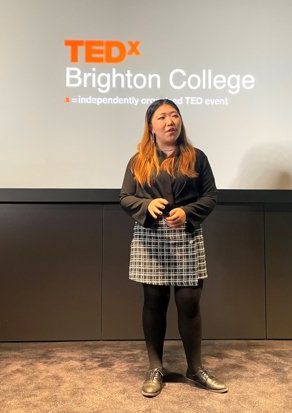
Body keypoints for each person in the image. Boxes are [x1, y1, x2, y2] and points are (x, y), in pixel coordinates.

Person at [120, 98, 228, 397]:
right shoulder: (138, 160)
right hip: (151, 238)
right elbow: (125, 197)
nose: (171, 121)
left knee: (189, 304)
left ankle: (195, 369)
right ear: (151, 126)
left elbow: (211, 196)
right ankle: (155, 367)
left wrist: (188, 212)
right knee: (154, 304)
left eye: (175, 115)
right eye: (163, 117)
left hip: (187, 235)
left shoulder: (197, 157)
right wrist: (147, 204)